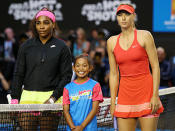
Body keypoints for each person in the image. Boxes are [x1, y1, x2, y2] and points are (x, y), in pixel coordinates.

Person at [11, 7, 72, 130]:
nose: (41, 27)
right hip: (27, 98)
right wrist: (14, 99)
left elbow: (66, 76)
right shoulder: (25, 46)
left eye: (46, 22)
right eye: (38, 23)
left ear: (53, 24)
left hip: (51, 99)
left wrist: (52, 98)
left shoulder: (62, 47)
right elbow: (18, 74)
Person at [107, 4, 164, 131]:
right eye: (120, 15)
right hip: (125, 96)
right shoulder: (111, 41)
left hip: (147, 93)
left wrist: (155, 95)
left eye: (127, 14)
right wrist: (112, 103)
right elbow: (113, 74)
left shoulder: (145, 36)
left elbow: (155, 67)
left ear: (134, 16)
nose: (123, 18)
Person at [63, 54, 103, 131]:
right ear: (73, 68)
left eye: (84, 66)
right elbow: (66, 111)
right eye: (78, 66)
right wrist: (73, 127)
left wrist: (81, 127)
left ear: (90, 68)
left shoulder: (95, 85)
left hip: (90, 128)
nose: (81, 68)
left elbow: (94, 109)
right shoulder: (67, 88)